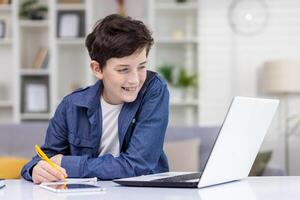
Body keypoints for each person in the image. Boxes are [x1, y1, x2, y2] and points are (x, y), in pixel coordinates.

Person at [21, 14, 169, 183]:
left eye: (142, 67)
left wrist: (68, 164)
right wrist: (36, 169)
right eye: (123, 70)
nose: (135, 80)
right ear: (97, 69)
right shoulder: (71, 105)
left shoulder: (154, 90)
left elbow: (137, 164)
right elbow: (44, 158)